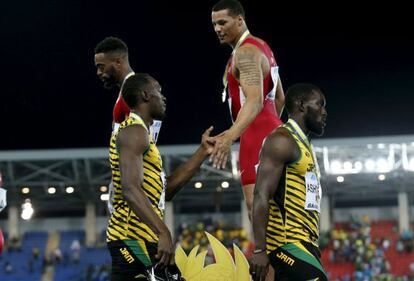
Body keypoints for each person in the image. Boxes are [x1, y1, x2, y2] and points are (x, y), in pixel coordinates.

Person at [107, 73, 214, 280]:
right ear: (146, 95)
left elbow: (165, 192)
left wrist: (202, 153)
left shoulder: (143, 136)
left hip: (142, 239)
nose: (163, 97)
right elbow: (130, 189)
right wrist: (164, 232)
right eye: (159, 91)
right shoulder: (133, 132)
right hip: (131, 239)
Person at [211, 0, 285, 220]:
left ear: (239, 20)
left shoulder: (244, 54)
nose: (217, 29)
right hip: (275, 130)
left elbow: (254, 102)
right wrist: (272, 130)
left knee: (257, 208)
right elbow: (279, 97)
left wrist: (230, 137)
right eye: (214, 24)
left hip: (255, 135)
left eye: (223, 22)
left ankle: (267, 254)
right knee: (279, 206)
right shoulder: (262, 47)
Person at [250, 83, 328, 281]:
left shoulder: (305, 146)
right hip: (287, 243)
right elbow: (261, 194)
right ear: (301, 105)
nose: (324, 112)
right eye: (319, 105)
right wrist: (259, 249)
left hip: (307, 245)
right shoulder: (282, 140)